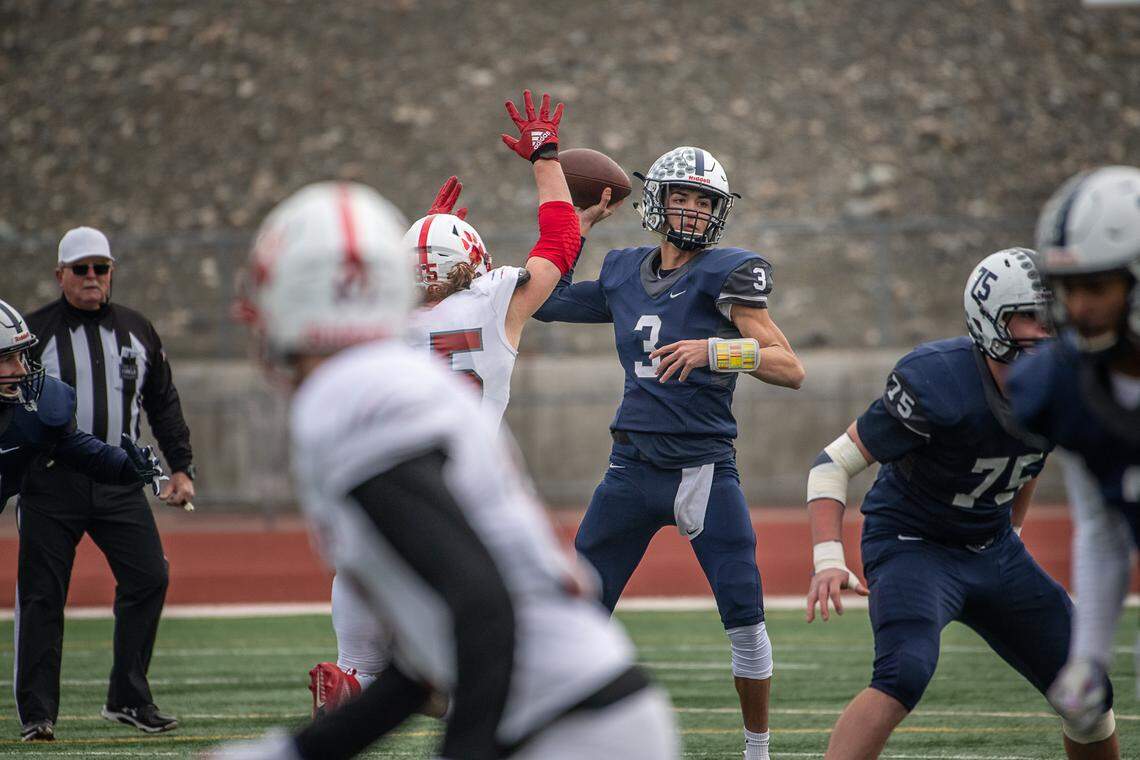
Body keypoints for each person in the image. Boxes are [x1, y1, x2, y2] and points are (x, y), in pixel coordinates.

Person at [213, 177, 678, 760]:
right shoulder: (399, 376)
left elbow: (484, 608)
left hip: (563, 723)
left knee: (366, 648)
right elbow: (423, 667)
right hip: (587, 702)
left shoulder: (353, 395)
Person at [307, 90, 604, 716]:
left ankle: (352, 678)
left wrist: (425, 235)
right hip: (471, 498)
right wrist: (546, 157)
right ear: (472, 262)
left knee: (367, 640)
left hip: (383, 486)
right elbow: (560, 238)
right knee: (487, 666)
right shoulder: (492, 302)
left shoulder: (379, 325)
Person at [533, 146, 805, 760]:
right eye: (680, 196)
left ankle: (757, 751)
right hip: (629, 470)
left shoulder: (727, 272)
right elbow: (547, 302)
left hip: (703, 471)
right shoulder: (624, 269)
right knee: (578, 616)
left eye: (703, 201)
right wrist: (578, 226)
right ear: (656, 201)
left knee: (745, 619)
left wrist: (715, 350)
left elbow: (790, 367)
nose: (691, 209)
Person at [803, 248, 1119, 759]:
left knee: (1090, 695)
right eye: (1030, 317)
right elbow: (830, 465)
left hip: (992, 547)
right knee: (903, 674)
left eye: (1052, 315)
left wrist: (1012, 540)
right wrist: (827, 560)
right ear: (989, 319)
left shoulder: (1064, 380)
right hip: (913, 545)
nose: (1047, 330)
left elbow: (1027, 462)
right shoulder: (938, 381)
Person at [15, 226, 196, 739]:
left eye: (101, 267)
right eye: (81, 269)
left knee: (149, 577)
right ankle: (38, 713)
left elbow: (162, 402)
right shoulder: (34, 334)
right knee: (42, 595)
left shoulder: (138, 329)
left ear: (112, 272)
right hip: (53, 482)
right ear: (60, 275)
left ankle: (128, 698)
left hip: (119, 480)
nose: (92, 277)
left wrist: (181, 466)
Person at [1006, 165, 1140, 737]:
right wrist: (1089, 657)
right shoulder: (1064, 385)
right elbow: (1102, 529)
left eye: (1096, 287)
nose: (1078, 307)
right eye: (1068, 288)